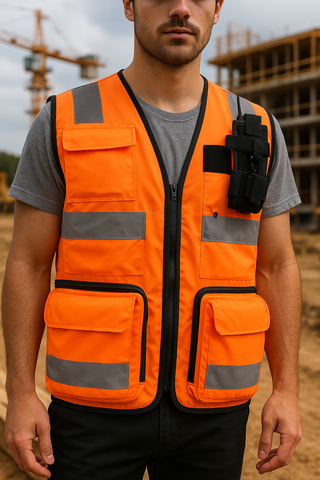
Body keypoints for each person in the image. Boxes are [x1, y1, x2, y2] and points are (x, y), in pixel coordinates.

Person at [2, 0, 302, 479]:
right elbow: (28, 263)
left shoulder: (257, 129)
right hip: (90, 412)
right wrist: (20, 393)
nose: (181, 8)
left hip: (215, 410)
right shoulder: (64, 119)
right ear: (129, 4)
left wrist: (286, 389)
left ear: (218, 7)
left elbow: (278, 265)